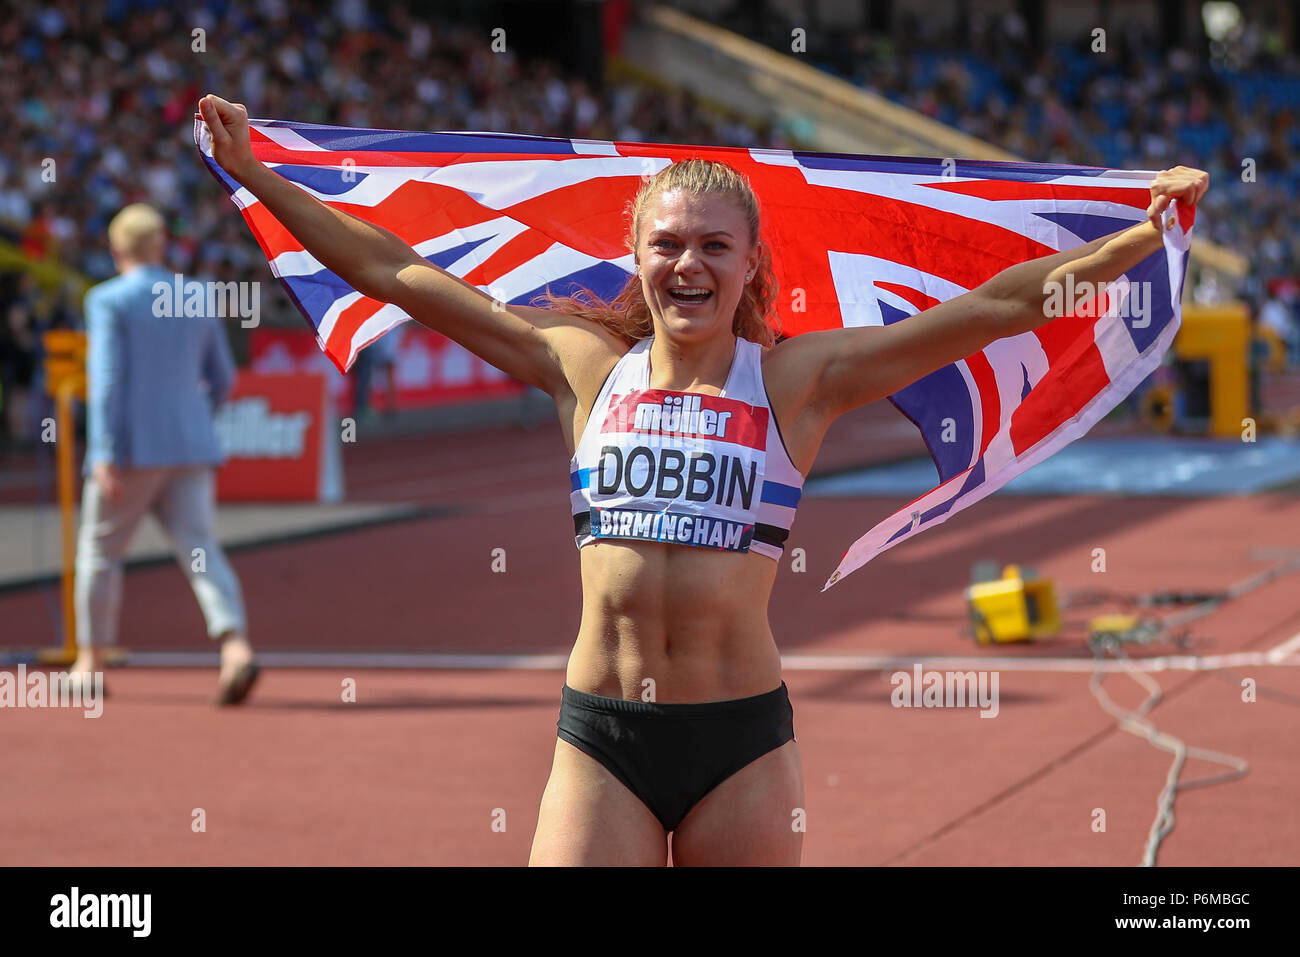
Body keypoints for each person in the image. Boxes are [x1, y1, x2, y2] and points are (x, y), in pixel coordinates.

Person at [199, 93, 1208, 864]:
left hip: (742, 745)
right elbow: (396, 272)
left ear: (749, 263)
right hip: (602, 738)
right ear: (635, 257)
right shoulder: (578, 364)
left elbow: (993, 310)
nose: (688, 265)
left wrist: (1137, 239)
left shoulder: (800, 382)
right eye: (666, 245)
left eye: (712, 248)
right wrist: (258, 176)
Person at [72, 202, 258, 705]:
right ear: (161, 245)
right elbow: (223, 379)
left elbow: (106, 378)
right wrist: (196, 420)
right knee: (201, 550)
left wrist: (104, 449)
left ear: (116, 250)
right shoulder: (196, 295)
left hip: (132, 450)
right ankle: (235, 646)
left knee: (99, 553)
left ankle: (90, 661)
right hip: (191, 447)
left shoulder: (108, 300)